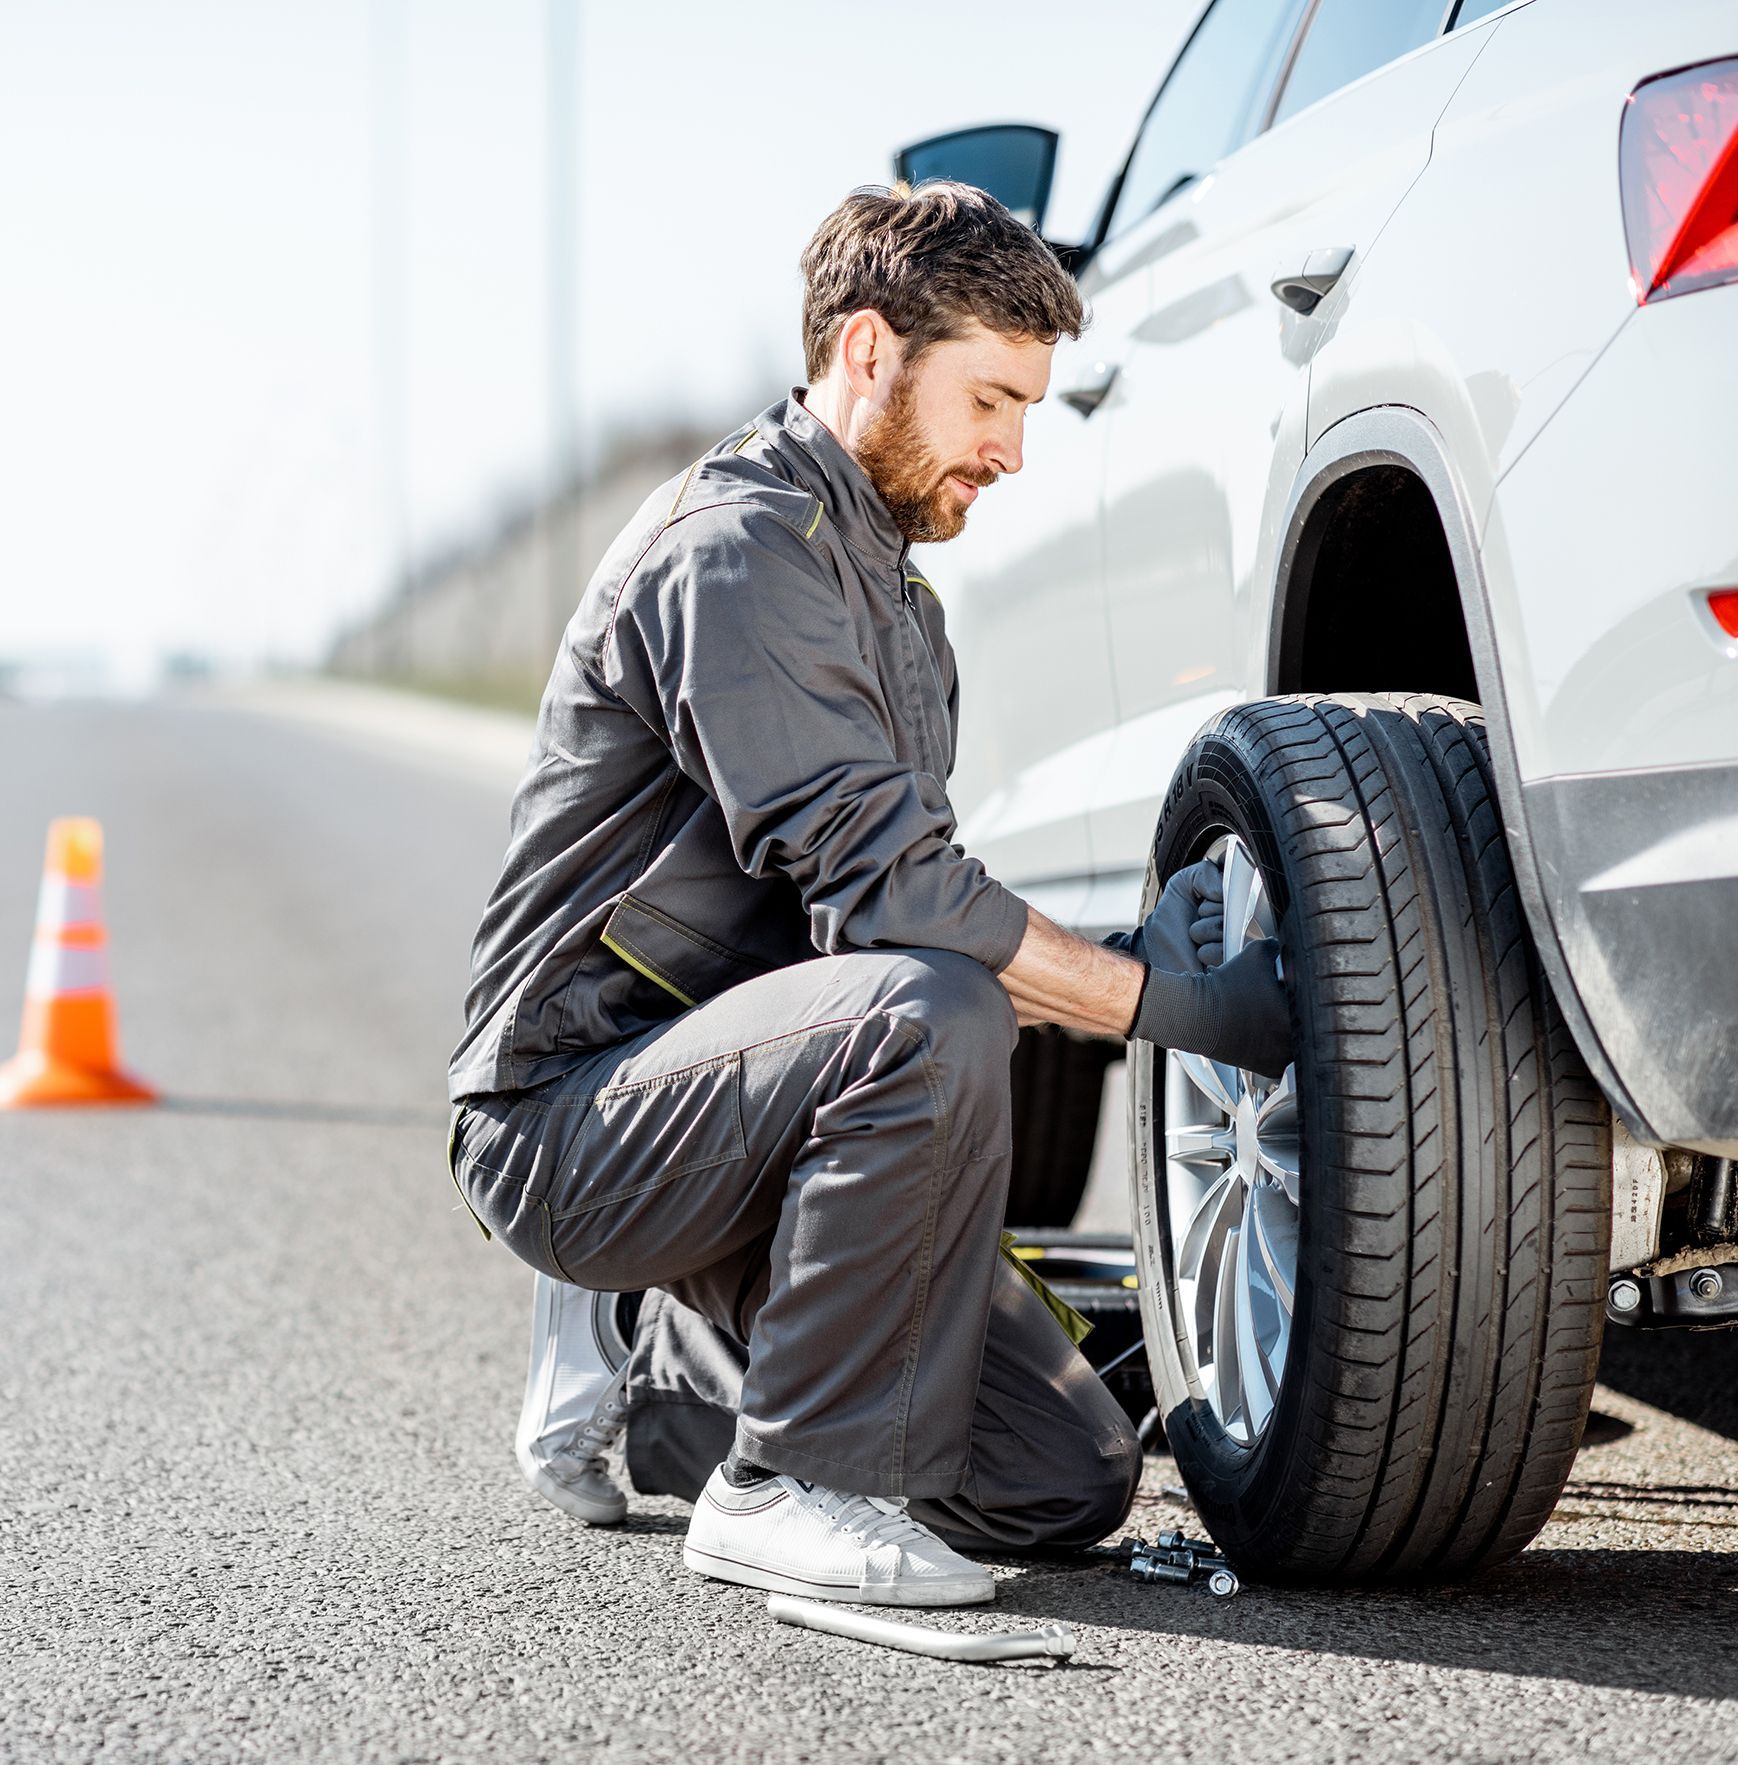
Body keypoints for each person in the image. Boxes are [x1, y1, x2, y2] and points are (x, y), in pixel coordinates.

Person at [448, 182, 1292, 1608]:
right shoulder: (739, 550)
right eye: (990, 400)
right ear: (865, 354)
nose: (1014, 450)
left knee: (1058, 1476)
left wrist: (1103, 962)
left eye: (1029, 409)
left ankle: (670, 1375)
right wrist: (1160, 1000)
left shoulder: (903, 609)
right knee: (926, 1010)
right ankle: (785, 1486)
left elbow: (882, 914)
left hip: (741, 1105)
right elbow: (900, 917)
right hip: (569, 1111)